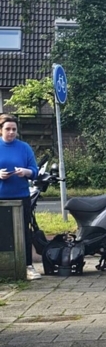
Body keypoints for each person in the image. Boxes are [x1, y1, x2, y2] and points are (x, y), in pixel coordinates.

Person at [0, 115, 40, 280]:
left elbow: (34, 170)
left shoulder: (24, 148)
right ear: (0, 130)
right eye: (7, 129)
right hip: (1, 198)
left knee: (24, 232)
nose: (11, 132)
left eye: (14, 129)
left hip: (21, 197)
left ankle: (27, 266)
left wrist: (26, 172)